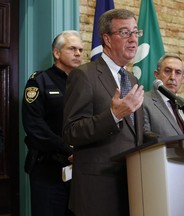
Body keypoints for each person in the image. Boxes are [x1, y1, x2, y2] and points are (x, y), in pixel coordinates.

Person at [62, 9, 144, 216]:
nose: (133, 39)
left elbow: (135, 134)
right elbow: (72, 131)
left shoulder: (132, 80)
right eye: (125, 33)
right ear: (107, 39)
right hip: (98, 190)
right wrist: (114, 115)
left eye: (136, 32)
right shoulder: (84, 75)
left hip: (132, 186)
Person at [22, 30, 83, 216]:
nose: (78, 53)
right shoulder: (39, 81)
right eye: (72, 49)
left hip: (79, 170)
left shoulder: (83, 84)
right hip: (48, 169)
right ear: (57, 53)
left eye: (81, 49)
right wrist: (68, 150)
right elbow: (35, 126)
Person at [144, 54, 184, 136]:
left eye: (178, 72)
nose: (173, 77)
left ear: (183, 78)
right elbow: (144, 139)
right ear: (156, 75)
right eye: (167, 71)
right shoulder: (143, 101)